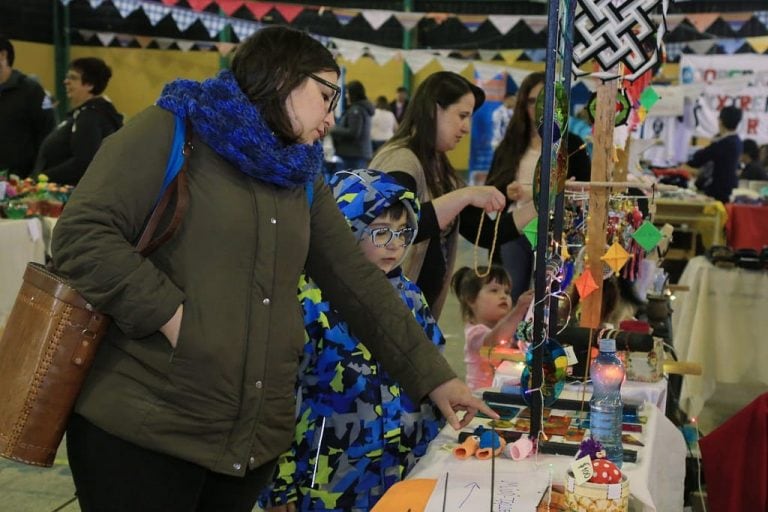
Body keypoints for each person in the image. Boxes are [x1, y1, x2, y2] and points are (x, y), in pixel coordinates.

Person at [50, 26, 496, 512]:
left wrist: (436, 377)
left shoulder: (300, 175)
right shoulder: (172, 131)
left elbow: (357, 281)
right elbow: (81, 236)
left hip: (248, 446)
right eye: (325, 97)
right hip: (146, 433)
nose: (332, 118)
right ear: (281, 78)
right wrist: (176, 318)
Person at [260, 169, 444, 511]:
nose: (395, 245)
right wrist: (280, 484)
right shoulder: (310, 302)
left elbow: (432, 374)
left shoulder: (410, 298)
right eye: (380, 233)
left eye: (403, 232)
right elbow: (279, 396)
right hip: (327, 480)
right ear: (346, 231)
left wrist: (437, 446)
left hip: (401, 471)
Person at [370, 71, 535, 319]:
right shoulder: (401, 161)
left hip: (416, 318)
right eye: (462, 116)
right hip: (386, 316)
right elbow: (398, 229)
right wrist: (465, 196)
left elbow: (488, 232)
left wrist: (542, 203)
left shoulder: (440, 170)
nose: (466, 128)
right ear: (434, 110)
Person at [487, 71, 591, 302]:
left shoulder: (573, 144)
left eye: (545, 100)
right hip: (516, 230)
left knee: (553, 300)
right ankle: (513, 339)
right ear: (523, 104)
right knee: (512, 298)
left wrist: (562, 191)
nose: (538, 107)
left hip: (558, 235)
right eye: (532, 101)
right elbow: (491, 188)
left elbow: (586, 189)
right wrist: (506, 191)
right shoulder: (511, 144)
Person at [34, 57, 123, 186]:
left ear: (90, 85)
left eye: (73, 78)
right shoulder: (86, 113)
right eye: (67, 77)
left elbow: (84, 162)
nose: (66, 82)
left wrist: (43, 177)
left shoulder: (90, 116)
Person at [452, 265, 533, 391]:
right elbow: (492, 341)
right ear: (471, 299)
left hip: (501, 392)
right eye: (494, 290)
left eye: (507, 292)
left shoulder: (509, 329)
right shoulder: (475, 333)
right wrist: (519, 309)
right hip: (481, 398)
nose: (503, 296)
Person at [0, 35, 55, 178]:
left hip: (20, 182)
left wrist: (36, 174)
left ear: (3, 55)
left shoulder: (31, 90)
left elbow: (48, 135)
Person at [685, 105, 743, 203]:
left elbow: (698, 159)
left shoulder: (723, 143)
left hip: (717, 191)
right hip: (728, 188)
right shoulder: (737, 141)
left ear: (721, 121)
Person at [330, 80, 373, 171]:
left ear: (353, 94)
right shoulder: (361, 109)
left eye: (347, 93)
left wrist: (332, 129)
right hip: (356, 154)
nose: (346, 96)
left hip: (352, 155)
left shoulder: (356, 111)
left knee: (348, 183)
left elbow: (353, 132)